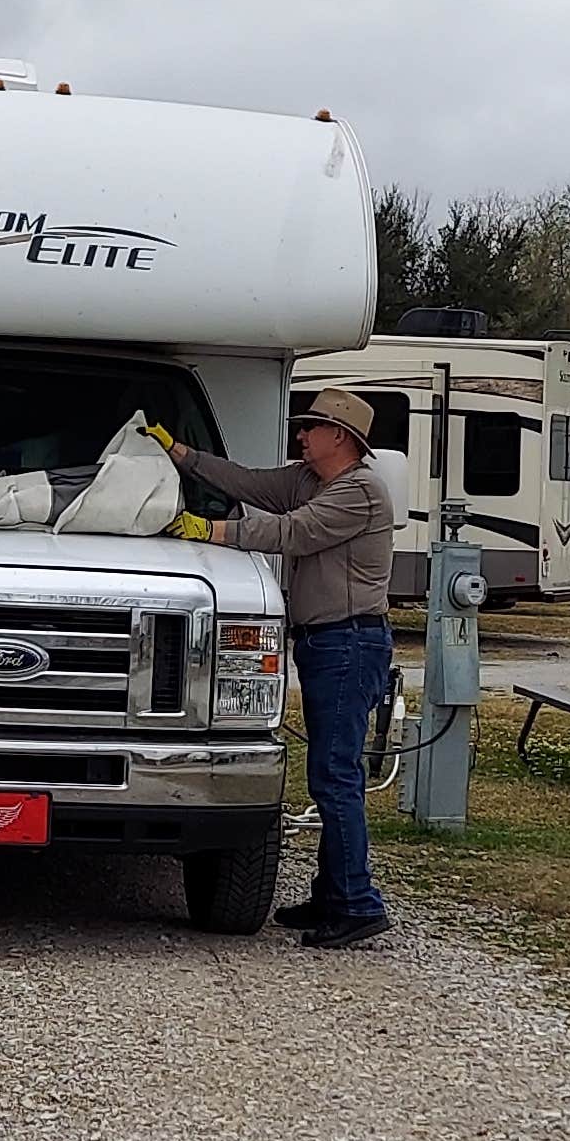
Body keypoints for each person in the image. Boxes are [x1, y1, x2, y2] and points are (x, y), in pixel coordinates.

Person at [158, 386, 405, 949]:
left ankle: (358, 903)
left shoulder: (361, 491)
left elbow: (292, 533)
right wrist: (183, 456)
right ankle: (334, 895)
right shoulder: (309, 479)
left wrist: (210, 530)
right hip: (328, 644)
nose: (301, 435)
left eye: (311, 427)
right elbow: (248, 484)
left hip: (349, 643)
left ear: (340, 437)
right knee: (330, 774)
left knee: (335, 777)